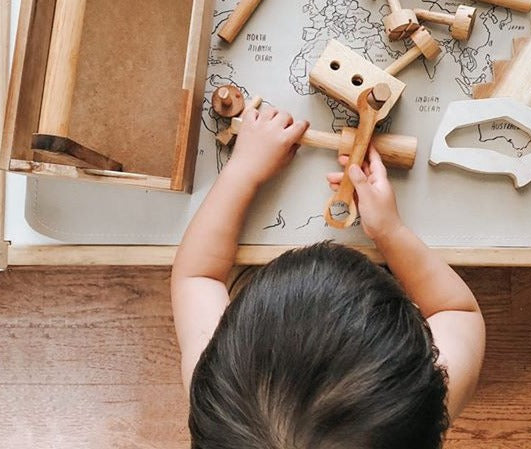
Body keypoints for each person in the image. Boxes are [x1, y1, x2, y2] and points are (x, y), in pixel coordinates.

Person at [172, 105, 485, 449]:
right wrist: (390, 232)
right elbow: (456, 311)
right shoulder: (416, 405)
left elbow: (197, 274)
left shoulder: (220, 403)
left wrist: (242, 169)